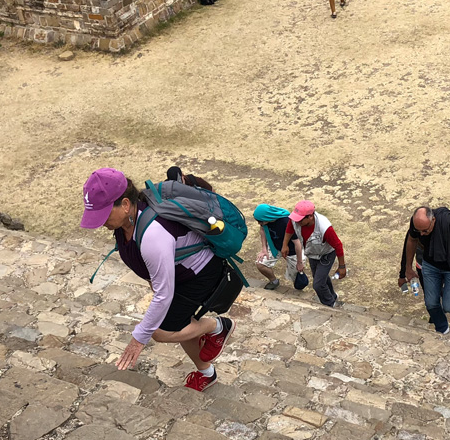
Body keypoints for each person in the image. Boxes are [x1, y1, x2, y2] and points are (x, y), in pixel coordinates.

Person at [80, 168, 235, 392]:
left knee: (160, 331)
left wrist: (138, 339)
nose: (101, 222)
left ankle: (218, 326)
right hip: (177, 274)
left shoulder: (153, 233)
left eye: (104, 214)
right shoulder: (127, 221)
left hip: (200, 273)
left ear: (125, 204)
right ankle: (207, 373)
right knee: (175, 321)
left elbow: (164, 294)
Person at [402, 206, 450, 336]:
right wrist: (408, 268)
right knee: (431, 302)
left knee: (449, 305)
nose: (421, 234)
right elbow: (411, 240)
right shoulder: (417, 224)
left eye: (425, 231)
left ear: (433, 220)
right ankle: (442, 329)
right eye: (419, 230)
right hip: (430, 265)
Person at [284, 200, 345, 308]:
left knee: (318, 284)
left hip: (326, 254)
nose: (296, 222)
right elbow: (289, 229)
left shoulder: (324, 227)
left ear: (310, 216)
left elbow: (338, 245)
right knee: (321, 278)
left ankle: (331, 304)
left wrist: (342, 267)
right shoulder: (295, 220)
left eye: (300, 220)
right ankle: (333, 296)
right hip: (312, 253)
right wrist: (285, 245)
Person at [253, 204, 300, 290]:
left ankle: (298, 290)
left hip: (292, 251)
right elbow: (262, 229)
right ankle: (273, 281)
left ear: (267, 217)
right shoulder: (265, 221)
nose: (259, 223)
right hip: (274, 247)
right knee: (260, 264)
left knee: (298, 279)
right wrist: (264, 249)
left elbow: (297, 242)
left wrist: (299, 262)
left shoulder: (286, 222)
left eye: (260, 221)